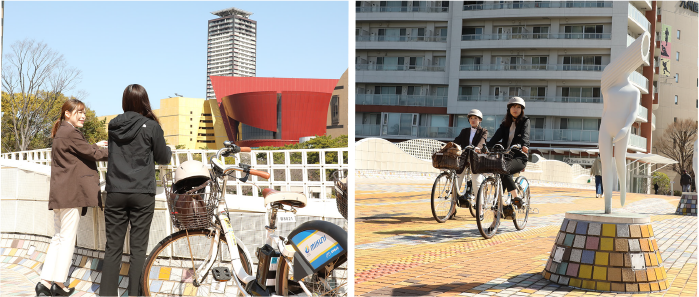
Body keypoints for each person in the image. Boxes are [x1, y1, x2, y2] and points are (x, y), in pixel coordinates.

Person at [101, 84, 172, 297]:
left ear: (125, 102)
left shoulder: (113, 125)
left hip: (115, 192)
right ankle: (135, 294)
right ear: (144, 101)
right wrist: (167, 148)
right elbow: (163, 157)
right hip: (142, 192)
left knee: (112, 248)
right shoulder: (151, 126)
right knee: (138, 250)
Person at [37, 99, 108, 297]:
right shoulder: (71, 132)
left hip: (60, 195)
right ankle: (59, 284)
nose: (83, 116)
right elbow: (92, 153)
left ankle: (44, 282)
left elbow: (79, 153)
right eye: (79, 112)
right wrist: (118, 152)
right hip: (71, 196)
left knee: (58, 238)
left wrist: (93, 146)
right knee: (67, 240)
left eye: (84, 112)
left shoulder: (62, 132)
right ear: (67, 113)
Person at [485, 96, 530, 208]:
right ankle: (496, 218)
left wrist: (524, 145)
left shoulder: (525, 121)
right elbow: (495, 138)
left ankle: (516, 198)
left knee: (504, 171)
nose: (515, 109)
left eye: (518, 107)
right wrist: (484, 148)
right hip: (505, 157)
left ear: (522, 109)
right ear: (509, 109)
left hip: (519, 156)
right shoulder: (504, 124)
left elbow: (525, 135)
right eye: (513, 106)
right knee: (499, 185)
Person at [453, 109, 488, 201]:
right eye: (471, 118)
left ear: (480, 120)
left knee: (477, 182)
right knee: (457, 179)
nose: (473, 120)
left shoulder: (483, 131)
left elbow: (482, 141)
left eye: (475, 118)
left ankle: (479, 207)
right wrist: (450, 145)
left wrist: (478, 148)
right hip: (463, 158)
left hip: (475, 158)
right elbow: (457, 140)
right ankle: (452, 207)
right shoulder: (464, 131)